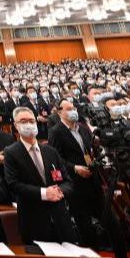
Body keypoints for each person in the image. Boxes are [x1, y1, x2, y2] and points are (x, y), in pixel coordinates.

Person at [4, 106, 79, 244]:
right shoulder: (11, 152)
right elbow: (13, 184)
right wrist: (44, 193)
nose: (29, 125)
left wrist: (59, 191)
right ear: (15, 125)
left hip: (60, 218)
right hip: (33, 220)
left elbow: (67, 181)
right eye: (23, 121)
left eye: (32, 121)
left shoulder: (50, 151)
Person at [48, 100, 103, 247]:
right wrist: (74, 168)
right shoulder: (56, 132)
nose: (73, 111)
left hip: (92, 179)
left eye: (74, 108)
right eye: (68, 109)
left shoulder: (84, 129)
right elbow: (56, 158)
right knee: (83, 221)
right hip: (75, 183)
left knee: (105, 216)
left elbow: (92, 150)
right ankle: (92, 250)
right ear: (60, 112)